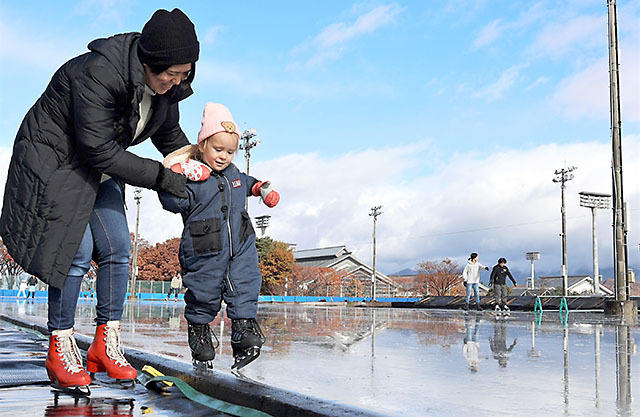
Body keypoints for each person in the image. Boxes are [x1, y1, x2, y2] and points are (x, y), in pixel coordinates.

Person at [0, 8, 200, 392]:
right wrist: (160, 177)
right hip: (58, 160)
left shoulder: (167, 89)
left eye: (184, 74)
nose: (175, 83)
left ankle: (104, 347)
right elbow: (97, 148)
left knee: (117, 246)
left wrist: (198, 163)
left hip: (102, 164)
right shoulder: (98, 73)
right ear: (147, 61)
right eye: (169, 74)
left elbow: (170, 136)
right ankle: (60, 345)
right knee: (76, 251)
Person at [158, 103, 279, 370]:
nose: (224, 156)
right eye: (218, 149)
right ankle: (200, 335)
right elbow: (173, 202)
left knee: (246, 283)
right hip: (204, 247)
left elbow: (245, 182)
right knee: (204, 292)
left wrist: (261, 189)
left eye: (230, 152)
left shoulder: (234, 173)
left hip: (241, 244)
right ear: (202, 146)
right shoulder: (193, 177)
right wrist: (174, 177)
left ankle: (244, 334)